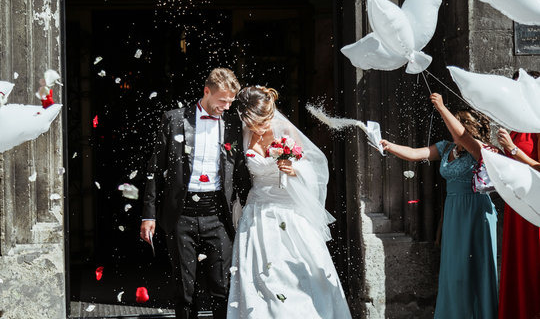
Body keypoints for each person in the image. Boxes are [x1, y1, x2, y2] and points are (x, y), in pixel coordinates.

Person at [227, 86, 352, 319]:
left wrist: (294, 171)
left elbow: (313, 168)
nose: (261, 127)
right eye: (255, 122)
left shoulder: (284, 129)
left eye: (264, 120)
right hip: (257, 213)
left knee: (294, 276)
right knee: (259, 277)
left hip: (288, 211)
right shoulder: (241, 132)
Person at [140, 68, 251, 319]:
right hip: (181, 215)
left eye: (230, 101)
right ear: (206, 91)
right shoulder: (174, 119)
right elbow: (154, 170)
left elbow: (242, 172)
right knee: (184, 290)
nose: (225, 106)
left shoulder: (233, 124)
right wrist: (148, 216)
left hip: (218, 216)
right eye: (221, 100)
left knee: (222, 287)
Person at [380, 93, 498, 318]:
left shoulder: (479, 150)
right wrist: (389, 146)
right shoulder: (446, 148)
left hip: (476, 213)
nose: (451, 129)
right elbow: (415, 154)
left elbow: (463, 137)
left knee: (473, 271)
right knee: (454, 273)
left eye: (457, 123)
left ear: (468, 128)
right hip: (454, 212)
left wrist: (441, 107)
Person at [496, 70, 540, 319]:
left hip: (535, 205)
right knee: (517, 266)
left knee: (533, 266)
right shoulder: (515, 124)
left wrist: (513, 151)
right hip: (515, 205)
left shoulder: (538, 124)